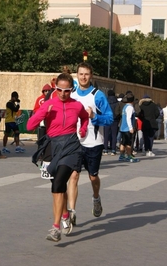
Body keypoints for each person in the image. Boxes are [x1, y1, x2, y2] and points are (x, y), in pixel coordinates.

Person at [27, 72, 89, 242]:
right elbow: (29, 124)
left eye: (67, 91)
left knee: (60, 180)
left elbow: (85, 118)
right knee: (55, 184)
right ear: (55, 88)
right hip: (52, 147)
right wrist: (43, 113)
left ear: (72, 89)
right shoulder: (49, 104)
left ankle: (55, 228)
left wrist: (83, 130)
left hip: (71, 146)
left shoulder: (76, 105)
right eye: (59, 90)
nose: (63, 94)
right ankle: (65, 213)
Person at [68, 62, 113, 225]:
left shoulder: (98, 95)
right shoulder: (71, 94)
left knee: (93, 177)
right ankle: (72, 212)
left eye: (86, 74)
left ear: (91, 76)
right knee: (73, 175)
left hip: (94, 143)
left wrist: (94, 116)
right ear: (77, 75)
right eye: (81, 74)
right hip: (74, 142)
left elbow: (109, 118)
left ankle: (96, 198)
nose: (83, 77)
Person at [118, 93, 139, 162]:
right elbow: (128, 118)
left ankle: (121, 155)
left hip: (123, 127)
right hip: (127, 128)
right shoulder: (130, 107)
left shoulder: (125, 106)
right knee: (128, 143)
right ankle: (129, 155)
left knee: (123, 142)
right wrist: (131, 128)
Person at [103, 89, 119, 155]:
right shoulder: (116, 102)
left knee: (106, 135)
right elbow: (118, 112)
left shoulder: (105, 101)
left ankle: (105, 149)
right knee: (114, 135)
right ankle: (113, 150)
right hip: (114, 120)